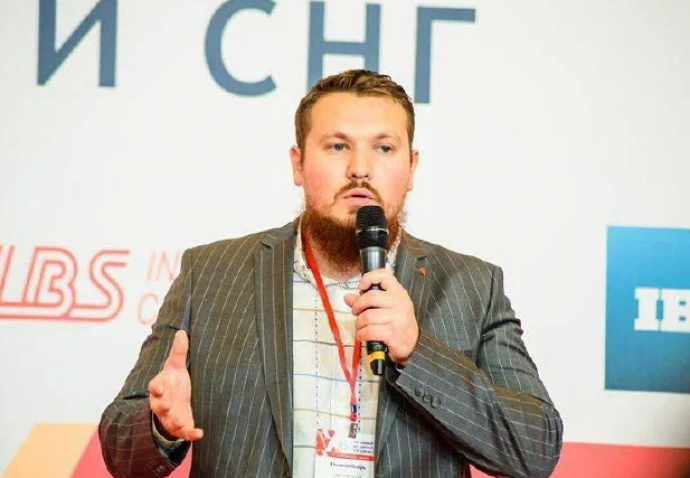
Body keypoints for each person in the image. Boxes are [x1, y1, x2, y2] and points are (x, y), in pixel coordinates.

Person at [99, 69, 563, 478]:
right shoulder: (212, 274)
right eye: (338, 146)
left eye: (384, 148)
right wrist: (160, 426)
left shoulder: (472, 287)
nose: (360, 169)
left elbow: (535, 449)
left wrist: (417, 352)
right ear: (298, 164)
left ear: (411, 167)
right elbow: (121, 447)